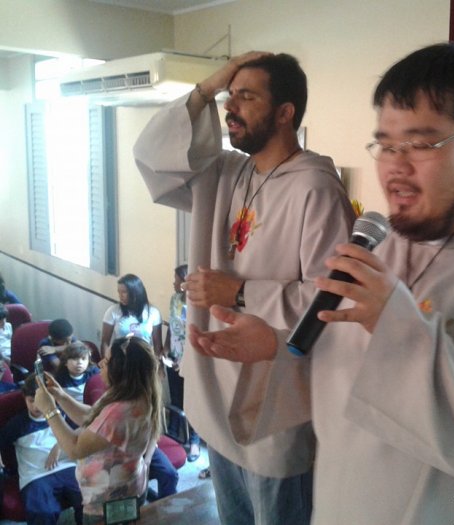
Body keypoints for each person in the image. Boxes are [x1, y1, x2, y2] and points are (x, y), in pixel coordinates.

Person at [188, 43, 454, 524]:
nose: (395, 166)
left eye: (420, 144)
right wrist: (275, 345)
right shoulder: (382, 247)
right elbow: (343, 377)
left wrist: (398, 326)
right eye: (386, 145)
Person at [134, 51, 356, 524]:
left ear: (285, 112)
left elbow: (332, 301)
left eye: (247, 97)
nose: (230, 108)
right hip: (216, 395)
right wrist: (206, 88)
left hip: (274, 407)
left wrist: (239, 292)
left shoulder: (315, 188)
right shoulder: (226, 173)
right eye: (229, 96)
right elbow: (152, 157)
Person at [33, 336, 162, 523]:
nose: (100, 363)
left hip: (109, 501)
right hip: (127, 486)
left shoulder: (121, 412)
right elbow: (92, 417)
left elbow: (74, 448)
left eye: (107, 361)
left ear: (121, 370)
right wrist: (61, 396)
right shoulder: (130, 392)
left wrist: (49, 410)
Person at [0, 373, 83, 525]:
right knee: (43, 512)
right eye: (31, 401)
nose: (36, 406)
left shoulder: (62, 413)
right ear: (25, 399)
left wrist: (59, 445)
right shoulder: (17, 424)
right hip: (36, 475)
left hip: (66, 466)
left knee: (87, 499)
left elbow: (82, 429)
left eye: (40, 401)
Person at [163, 264, 201, 462]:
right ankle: (175, 434)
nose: (174, 283)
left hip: (192, 360)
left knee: (193, 400)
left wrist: (185, 361)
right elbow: (172, 325)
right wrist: (165, 347)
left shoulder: (197, 305)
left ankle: (194, 440)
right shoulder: (175, 299)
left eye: (177, 280)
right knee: (176, 397)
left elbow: (197, 335)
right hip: (173, 356)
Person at [100, 274, 163, 358]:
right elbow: (105, 342)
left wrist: (156, 363)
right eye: (119, 292)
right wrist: (106, 361)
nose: (120, 296)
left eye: (124, 292)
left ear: (135, 292)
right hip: (120, 359)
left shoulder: (153, 312)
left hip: (144, 359)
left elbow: (158, 346)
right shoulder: (113, 311)